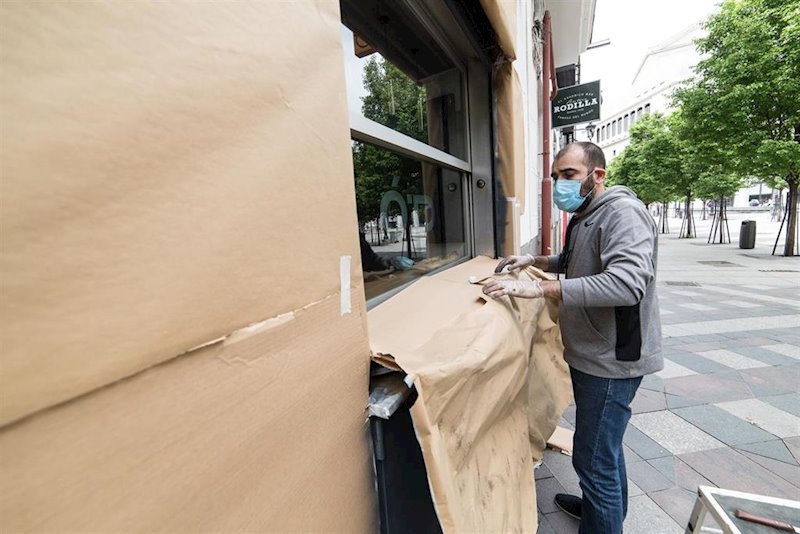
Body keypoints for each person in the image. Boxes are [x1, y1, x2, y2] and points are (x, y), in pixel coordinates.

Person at [483, 141, 663, 534]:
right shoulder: (586, 215)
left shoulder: (622, 214)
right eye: (556, 177)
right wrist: (536, 262)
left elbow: (626, 284)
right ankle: (601, 509)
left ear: (597, 175)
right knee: (604, 450)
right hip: (593, 353)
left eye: (569, 175)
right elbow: (576, 260)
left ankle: (603, 520)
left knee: (593, 457)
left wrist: (543, 290)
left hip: (612, 360)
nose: (560, 184)